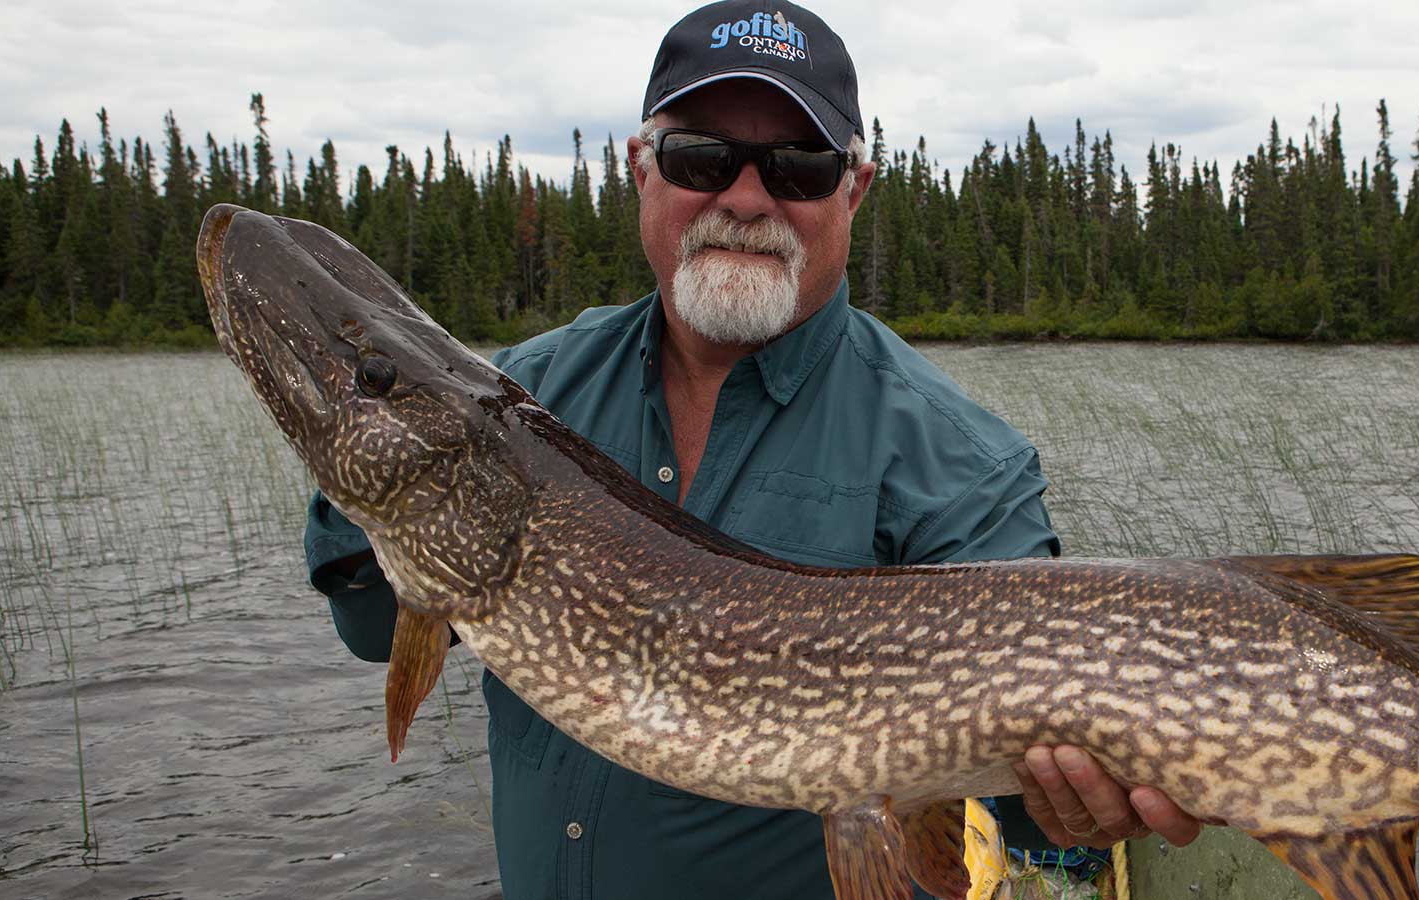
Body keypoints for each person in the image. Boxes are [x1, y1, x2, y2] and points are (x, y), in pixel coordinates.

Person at [303, 2, 1200, 897]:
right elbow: (373, 626)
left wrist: (1074, 805)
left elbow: (1027, 804)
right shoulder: (528, 394)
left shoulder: (959, 461)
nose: (744, 196)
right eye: (701, 156)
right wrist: (367, 466)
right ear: (640, 170)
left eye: (798, 168)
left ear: (853, 191)